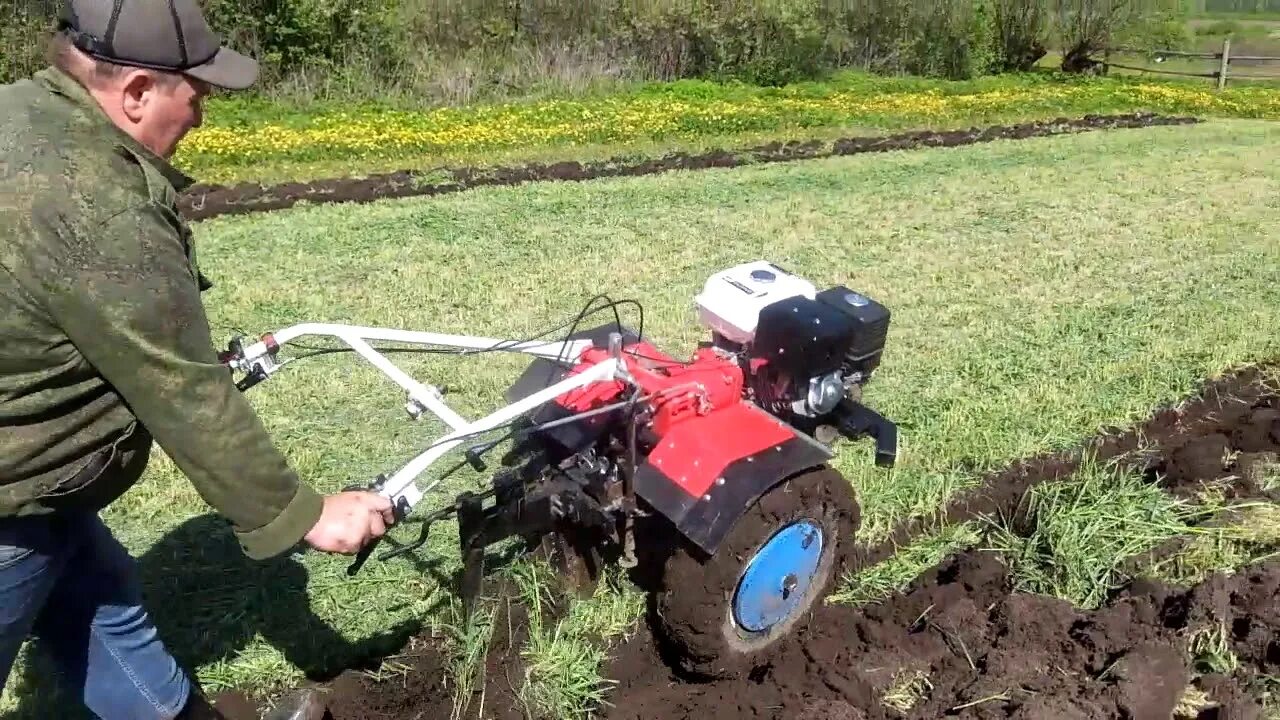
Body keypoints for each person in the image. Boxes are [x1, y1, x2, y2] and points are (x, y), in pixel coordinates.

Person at [0, 1, 396, 718]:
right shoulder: (101, 200)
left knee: (104, 610)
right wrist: (305, 514)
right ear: (138, 92)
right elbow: (183, 392)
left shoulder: (21, 115)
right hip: (9, 505)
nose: (201, 117)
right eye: (197, 95)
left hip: (45, 490)